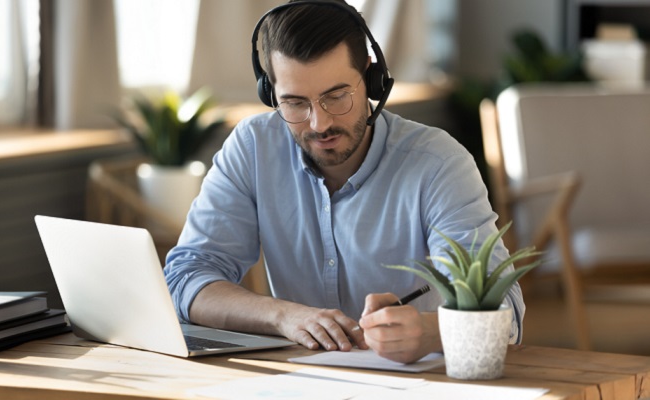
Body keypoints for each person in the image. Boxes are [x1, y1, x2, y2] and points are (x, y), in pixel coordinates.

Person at [164, 0, 524, 364]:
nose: (319, 124)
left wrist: (430, 332)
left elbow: (505, 313)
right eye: (294, 103)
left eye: (336, 96)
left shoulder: (439, 163)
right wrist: (284, 316)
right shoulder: (253, 147)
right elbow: (187, 277)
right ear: (270, 93)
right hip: (300, 383)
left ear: (371, 78)